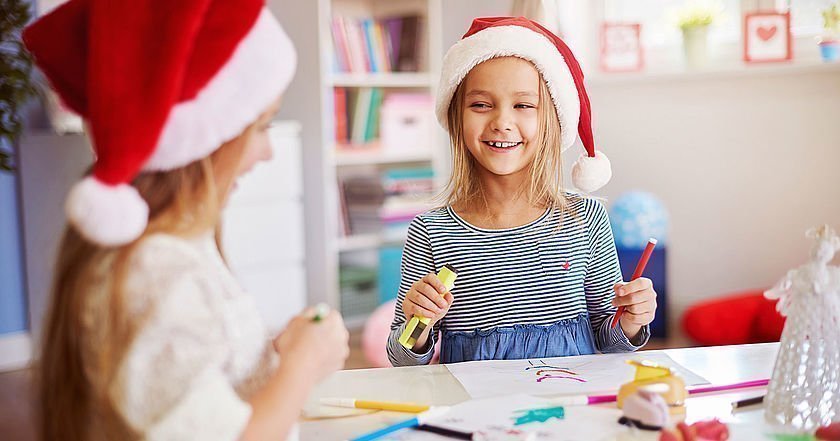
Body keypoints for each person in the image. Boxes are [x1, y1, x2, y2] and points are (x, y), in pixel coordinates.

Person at [23, 1, 348, 439]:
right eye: (261, 127)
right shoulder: (155, 271)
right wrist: (301, 364)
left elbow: (191, 388)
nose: (268, 151)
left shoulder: (178, 250)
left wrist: (273, 358)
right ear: (203, 139)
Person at [388, 17, 657, 366]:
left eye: (524, 106)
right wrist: (418, 323)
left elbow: (612, 343)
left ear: (553, 120)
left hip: (570, 397)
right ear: (457, 118)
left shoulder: (586, 219)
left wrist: (632, 320)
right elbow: (403, 360)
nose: (501, 122)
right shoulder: (431, 231)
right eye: (481, 105)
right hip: (474, 402)